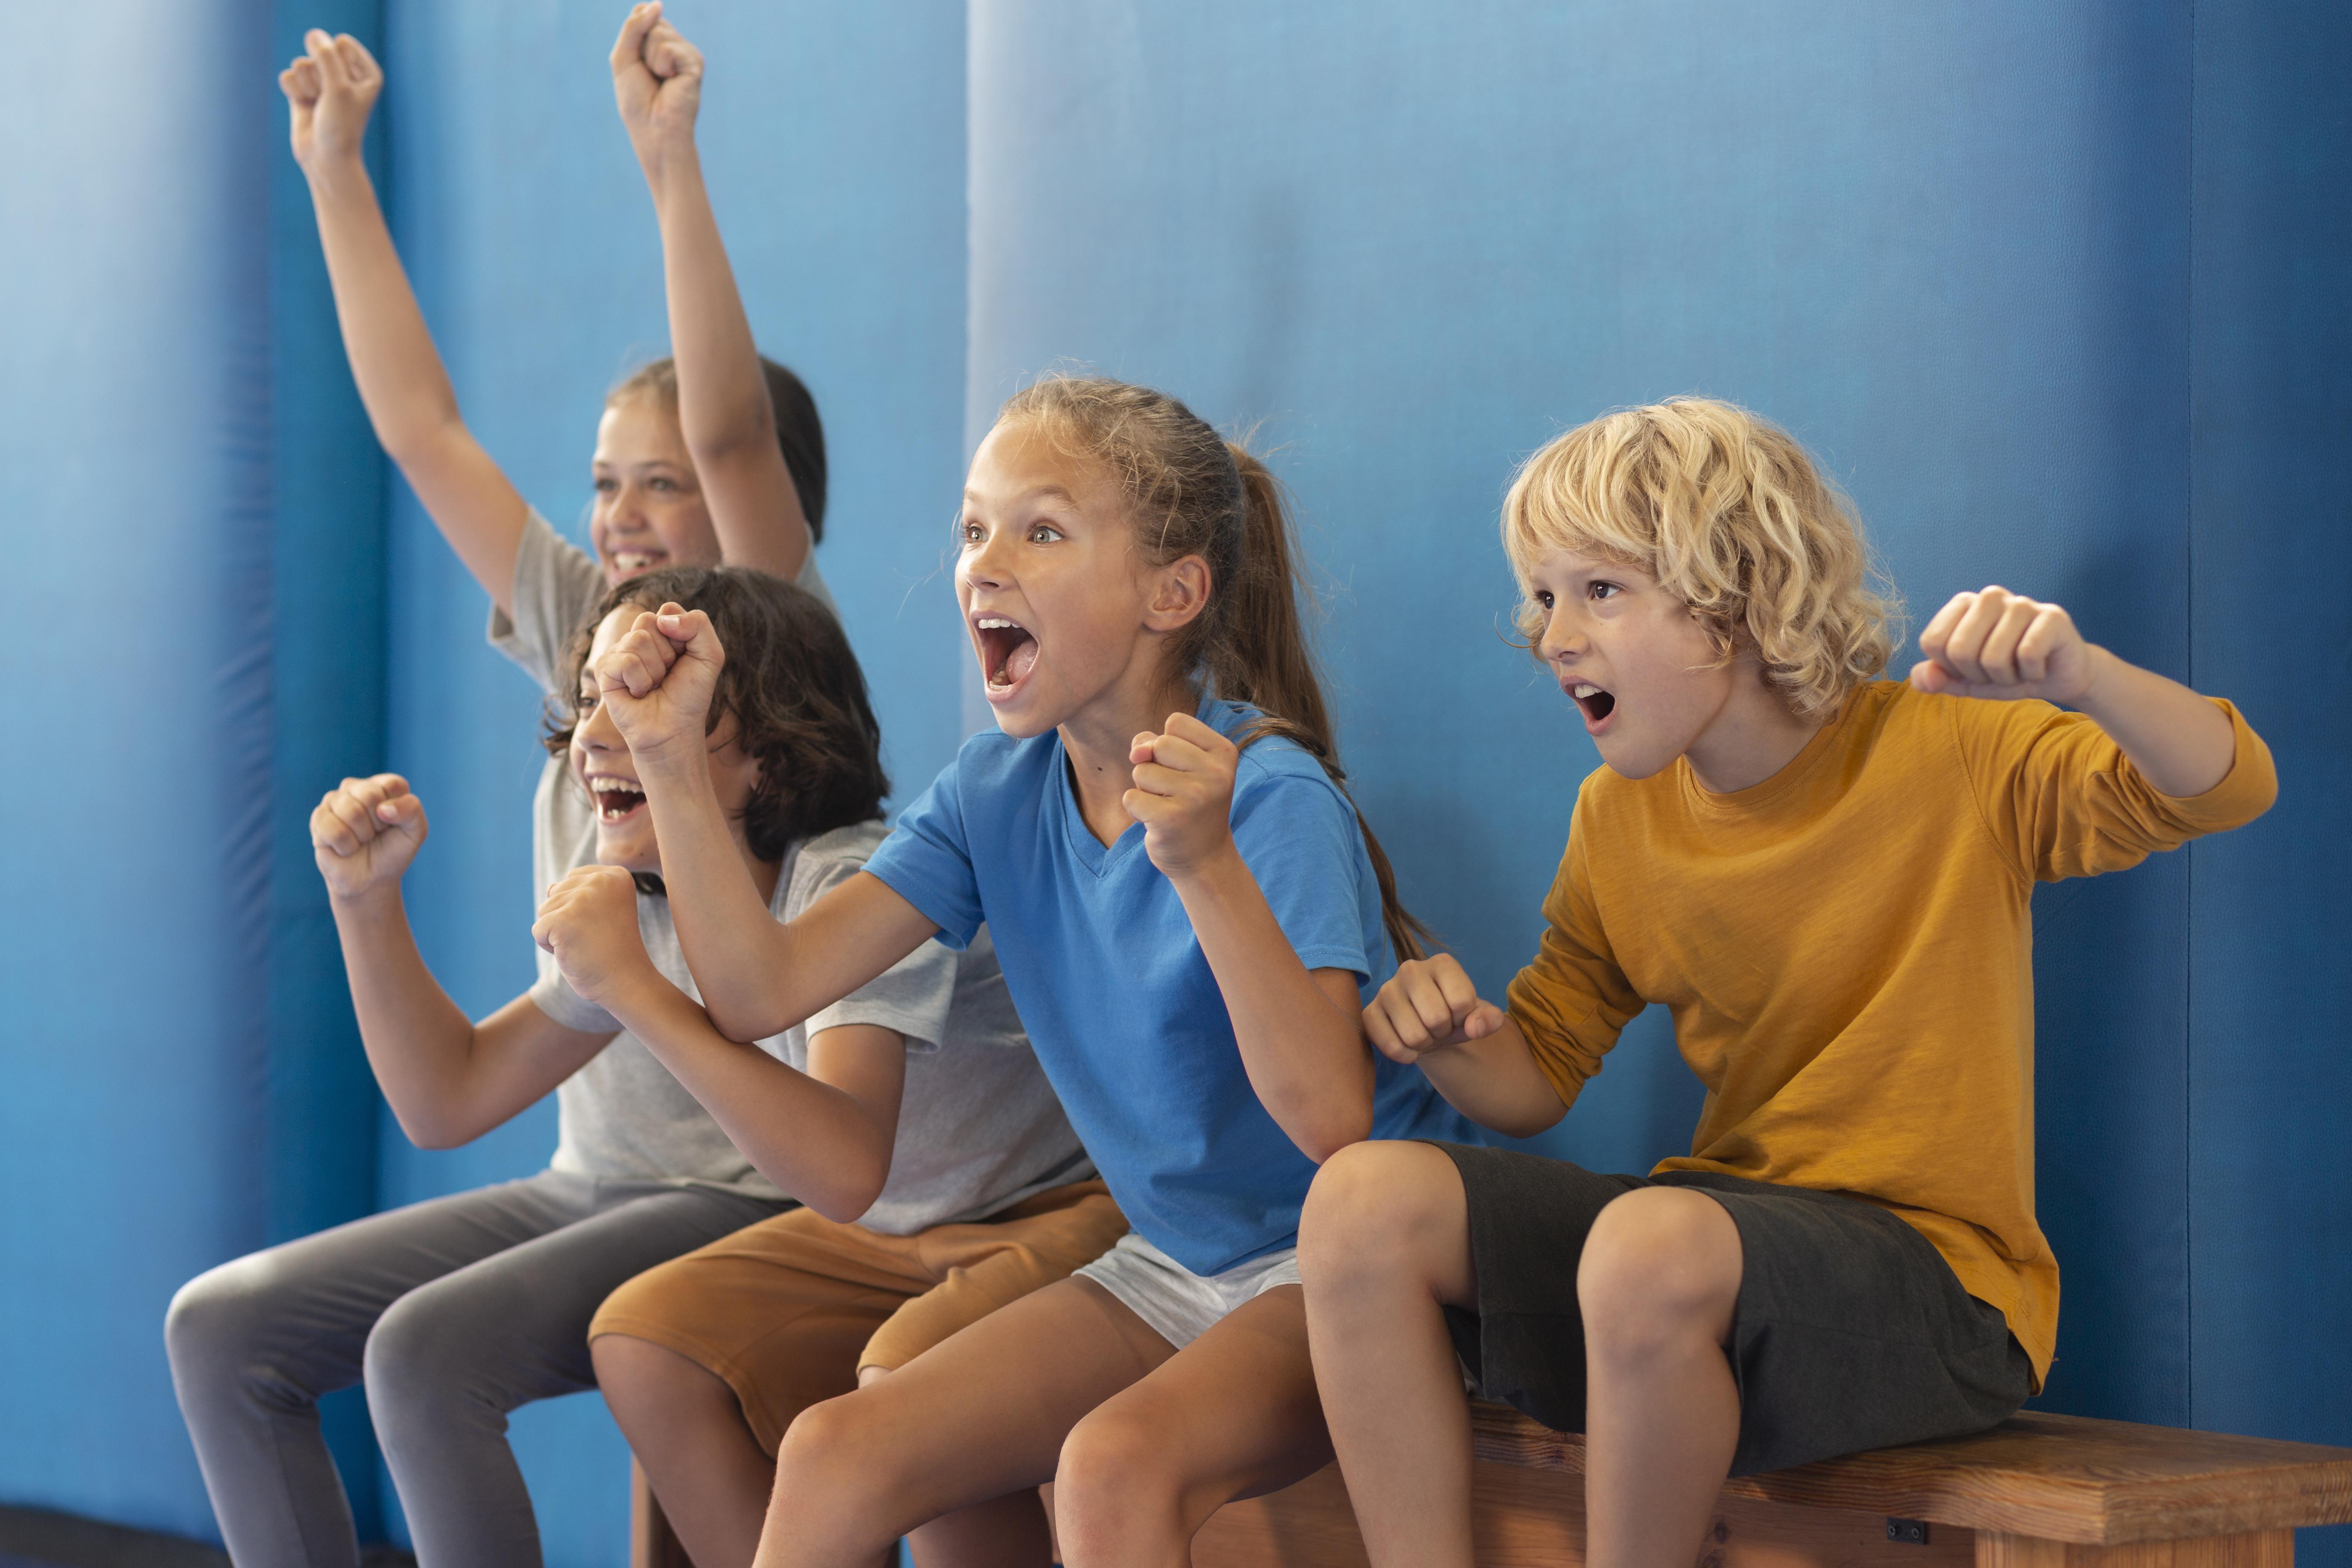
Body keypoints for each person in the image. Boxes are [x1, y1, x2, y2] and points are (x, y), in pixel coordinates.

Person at [1296, 397, 2279, 1568]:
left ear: (1740, 597)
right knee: (1362, 1200)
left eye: (1600, 590)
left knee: (1649, 1243)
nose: (1554, 634)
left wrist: (2086, 675)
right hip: (1699, 1265)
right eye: (1545, 594)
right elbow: (1539, 1073)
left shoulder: (1949, 752)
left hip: (1939, 1293)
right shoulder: (1620, 814)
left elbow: (2228, 785)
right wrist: (1450, 1033)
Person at [575, 374, 1479, 1567]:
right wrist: (670, 755)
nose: (984, 563)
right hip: (1172, 1264)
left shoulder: (1270, 797)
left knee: (1111, 1465)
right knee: (833, 1450)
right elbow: (758, 989)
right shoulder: (990, 794)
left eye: (1041, 529)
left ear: (1175, 592)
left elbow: (1329, 1118)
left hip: (1339, 1274)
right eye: (971, 528)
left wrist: (1201, 861)